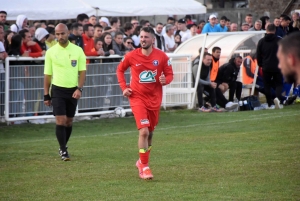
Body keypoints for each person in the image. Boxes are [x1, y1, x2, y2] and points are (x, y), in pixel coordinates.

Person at [116, 27, 173, 180]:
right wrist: (124, 88)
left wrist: (165, 80)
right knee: (144, 131)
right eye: (141, 37)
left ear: (153, 39)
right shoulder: (131, 56)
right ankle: (145, 168)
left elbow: (169, 74)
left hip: (154, 99)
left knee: (151, 133)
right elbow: (119, 70)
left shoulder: (161, 57)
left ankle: (141, 162)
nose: (143, 40)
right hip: (137, 98)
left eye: (146, 37)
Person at [44, 23, 86, 161]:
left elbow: (82, 72)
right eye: (57, 34)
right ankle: (63, 150)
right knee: (60, 120)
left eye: (62, 33)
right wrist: (46, 94)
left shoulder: (78, 50)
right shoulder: (51, 52)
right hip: (57, 90)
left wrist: (79, 89)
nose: (60, 36)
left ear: (68, 33)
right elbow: (47, 75)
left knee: (69, 121)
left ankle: (64, 146)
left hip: (73, 90)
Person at [257, 24, 284, 109]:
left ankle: (269, 104)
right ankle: (278, 100)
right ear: (275, 31)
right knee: (279, 84)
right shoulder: (279, 40)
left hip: (266, 66)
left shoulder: (261, 41)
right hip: (278, 65)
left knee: (267, 85)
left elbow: (258, 55)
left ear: (266, 30)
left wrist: (260, 64)